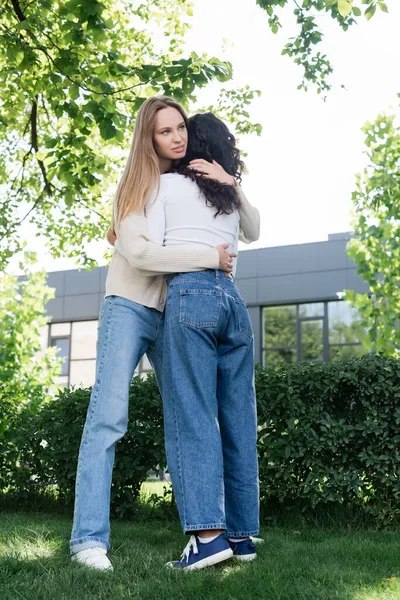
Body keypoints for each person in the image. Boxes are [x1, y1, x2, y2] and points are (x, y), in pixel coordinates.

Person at [69, 97, 237, 572]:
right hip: (129, 306)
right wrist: (210, 257)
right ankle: (87, 541)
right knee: (108, 418)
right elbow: (141, 257)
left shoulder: (182, 185)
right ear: (149, 138)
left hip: (176, 312)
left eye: (180, 127)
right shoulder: (135, 187)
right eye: (165, 131)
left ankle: (211, 535)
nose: (177, 137)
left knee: (191, 419)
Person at [116, 112, 260, 571]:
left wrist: (119, 235)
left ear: (190, 145)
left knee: (191, 414)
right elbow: (255, 231)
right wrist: (232, 182)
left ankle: (207, 538)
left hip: (190, 294)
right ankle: (242, 536)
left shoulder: (166, 186)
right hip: (233, 302)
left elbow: (150, 249)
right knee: (237, 418)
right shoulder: (226, 196)